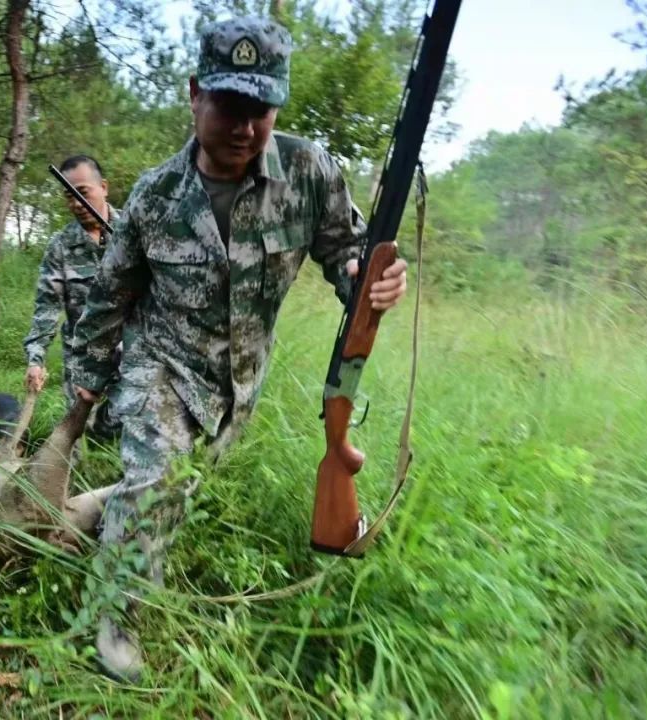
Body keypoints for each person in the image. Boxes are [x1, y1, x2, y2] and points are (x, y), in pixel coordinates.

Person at [69, 17, 409, 681]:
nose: (245, 128)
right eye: (229, 106)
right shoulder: (153, 196)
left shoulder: (309, 172)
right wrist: (81, 386)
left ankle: (104, 509)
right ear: (196, 94)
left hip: (237, 385)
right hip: (159, 364)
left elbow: (346, 256)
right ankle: (114, 618)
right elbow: (108, 297)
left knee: (173, 485)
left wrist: (371, 281)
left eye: (261, 110)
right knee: (160, 476)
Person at [22, 154, 126, 440]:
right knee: (79, 434)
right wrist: (36, 359)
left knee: (127, 426)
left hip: (132, 351)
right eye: (69, 197)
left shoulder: (133, 233)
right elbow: (46, 306)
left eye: (83, 193)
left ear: (103, 187)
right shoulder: (60, 246)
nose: (77, 205)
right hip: (82, 355)